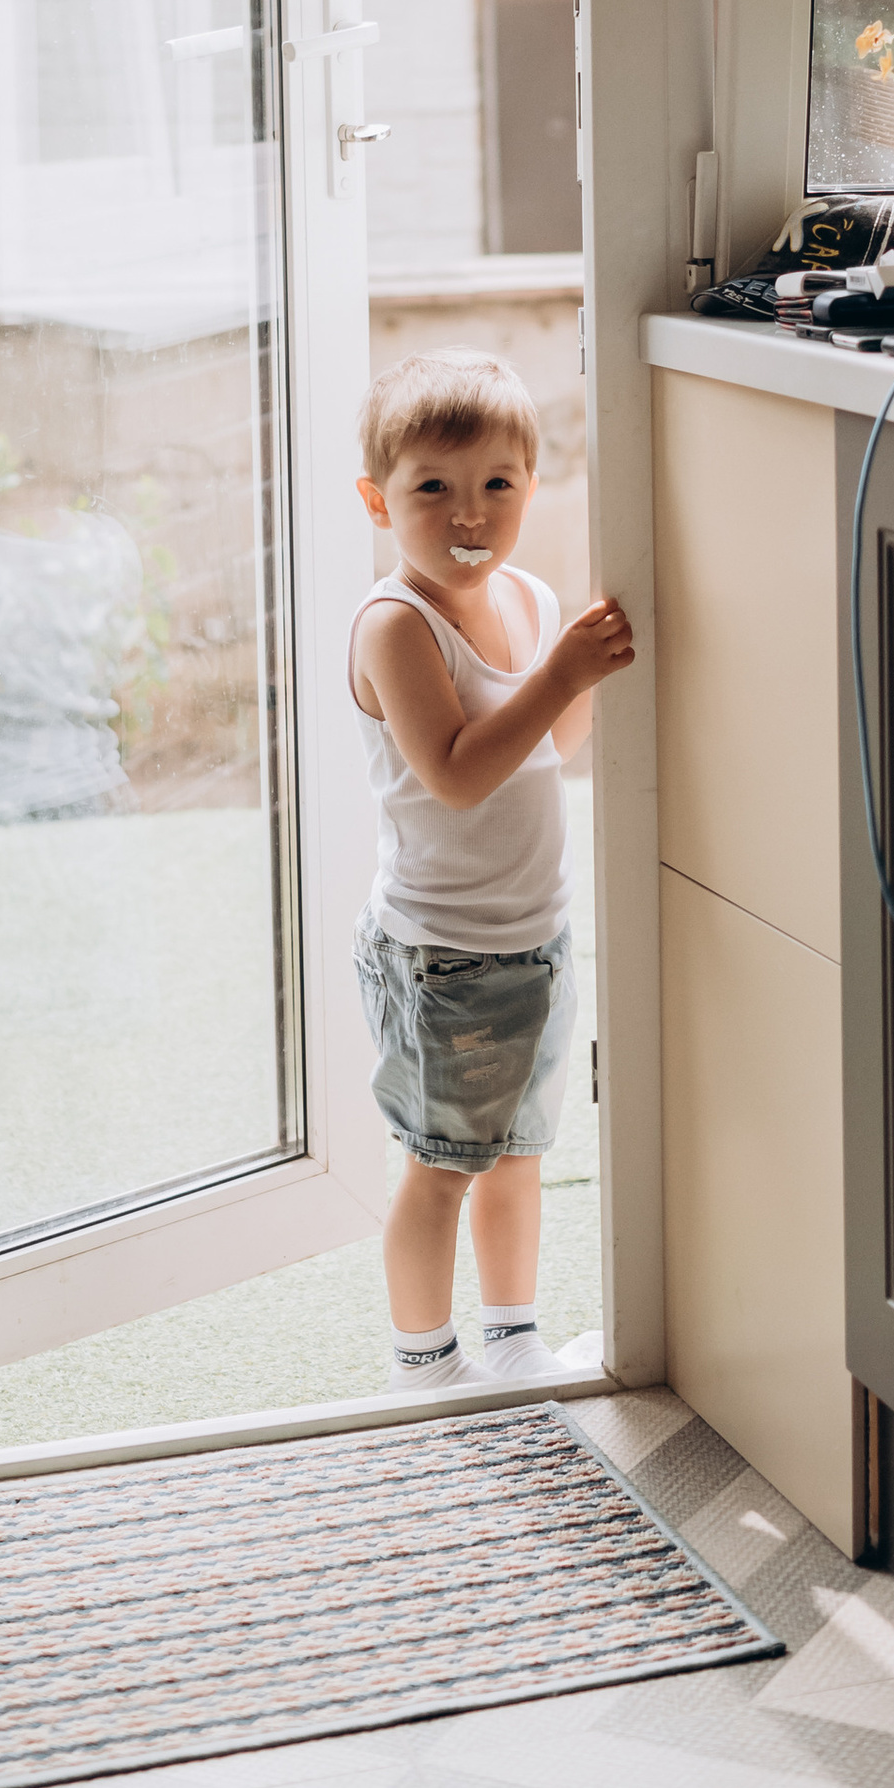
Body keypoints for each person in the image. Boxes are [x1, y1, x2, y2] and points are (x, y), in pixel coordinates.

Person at [349, 354, 635, 1391]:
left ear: (530, 484)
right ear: (380, 501)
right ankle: (423, 1362)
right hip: (444, 955)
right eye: (433, 488)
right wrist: (563, 667)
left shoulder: (525, 594)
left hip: (534, 937)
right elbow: (461, 774)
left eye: (495, 486)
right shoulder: (394, 624)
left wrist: (572, 671)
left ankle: (513, 1337)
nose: (468, 514)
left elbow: (554, 741)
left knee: (518, 1151)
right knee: (441, 1166)